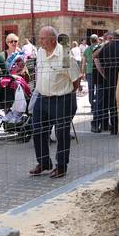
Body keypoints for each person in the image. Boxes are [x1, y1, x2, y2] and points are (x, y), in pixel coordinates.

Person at [30, 26, 80, 178]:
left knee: (61, 133)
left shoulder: (65, 56)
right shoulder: (39, 52)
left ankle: (61, 166)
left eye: (43, 38)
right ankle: (44, 162)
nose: (40, 41)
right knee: (37, 130)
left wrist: (65, 94)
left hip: (61, 99)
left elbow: (76, 81)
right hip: (42, 98)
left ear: (53, 39)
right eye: (40, 38)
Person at [82, 35, 102, 133]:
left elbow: (84, 62)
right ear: (97, 40)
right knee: (97, 90)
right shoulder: (98, 48)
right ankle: (96, 104)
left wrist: (83, 72)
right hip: (96, 71)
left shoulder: (87, 50)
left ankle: (92, 105)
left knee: (90, 90)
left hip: (89, 71)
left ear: (90, 41)